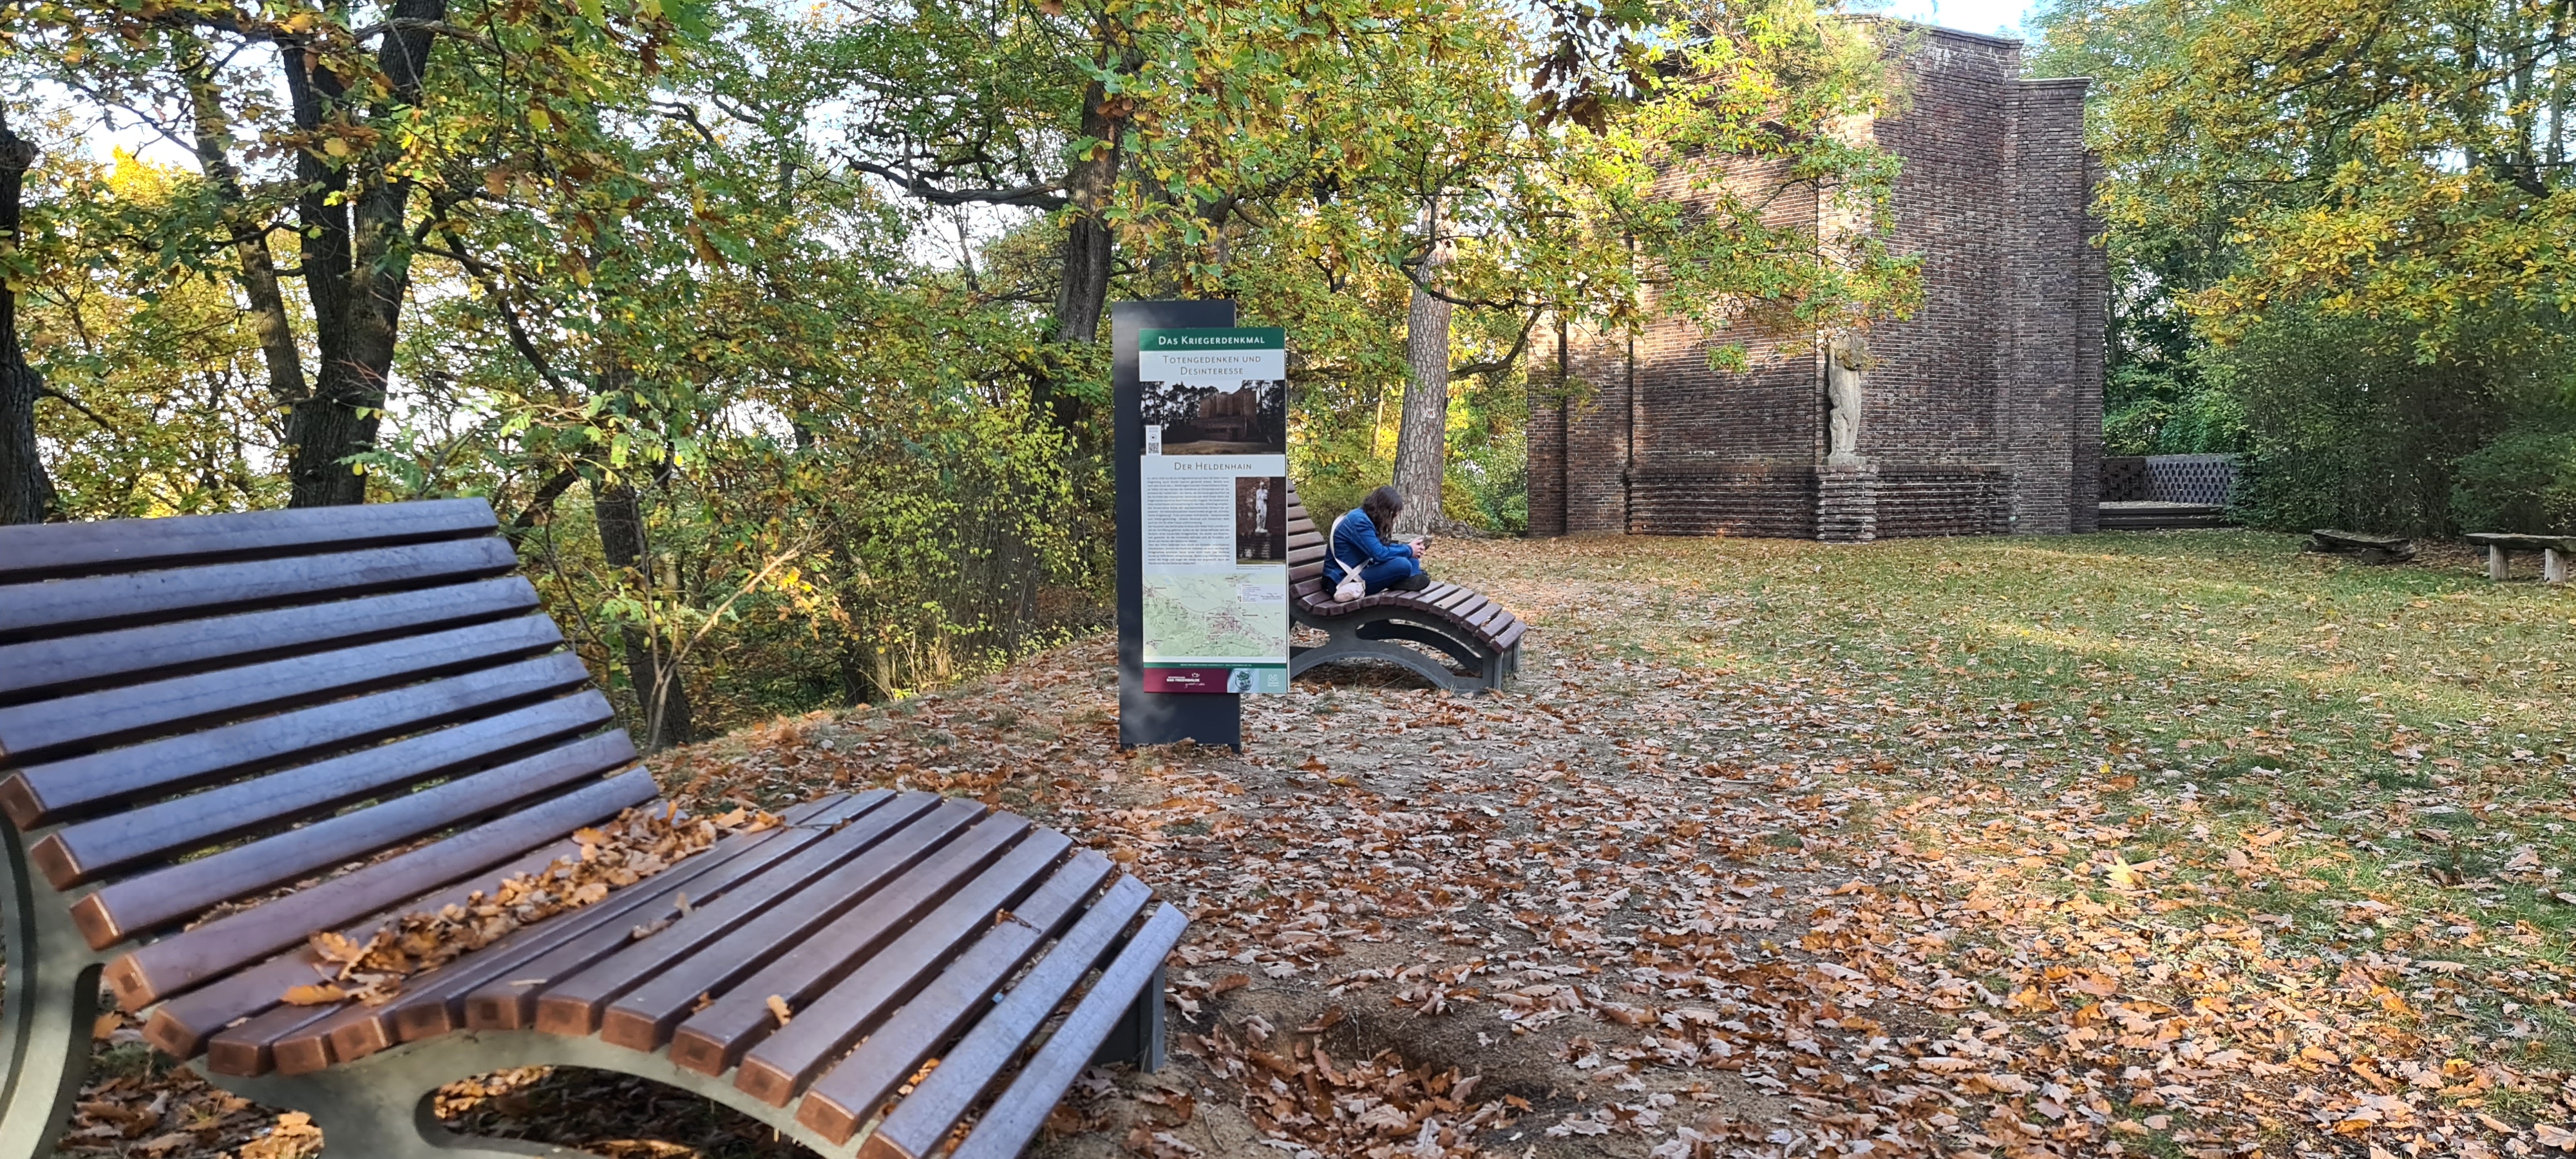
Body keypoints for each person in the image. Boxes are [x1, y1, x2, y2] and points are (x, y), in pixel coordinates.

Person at [1325, 485, 1431, 594]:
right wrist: (1409, 550)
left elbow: (1381, 546)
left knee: (1412, 559)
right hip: (1342, 581)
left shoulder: (1365, 517)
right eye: (1394, 515)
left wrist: (1409, 548)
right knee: (1403, 564)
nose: (1395, 519)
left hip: (1360, 569)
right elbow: (1380, 554)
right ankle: (1409, 578)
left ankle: (1409, 579)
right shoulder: (1360, 522)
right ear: (1385, 511)